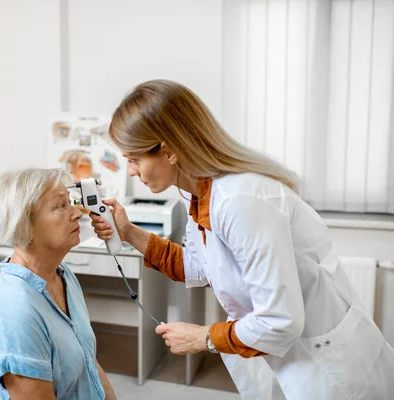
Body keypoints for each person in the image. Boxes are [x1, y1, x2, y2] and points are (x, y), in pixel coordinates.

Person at [89, 79, 394, 399]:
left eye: (134, 159)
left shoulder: (241, 199)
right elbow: (198, 266)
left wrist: (203, 337)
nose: (132, 172)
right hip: (287, 357)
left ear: (167, 150)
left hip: (327, 363)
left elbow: (281, 320)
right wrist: (128, 231)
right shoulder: (197, 192)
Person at [0, 168, 117, 400]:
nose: (77, 214)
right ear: (25, 226)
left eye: (70, 203)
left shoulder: (63, 276)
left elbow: (88, 363)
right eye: (61, 206)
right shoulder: (14, 313)